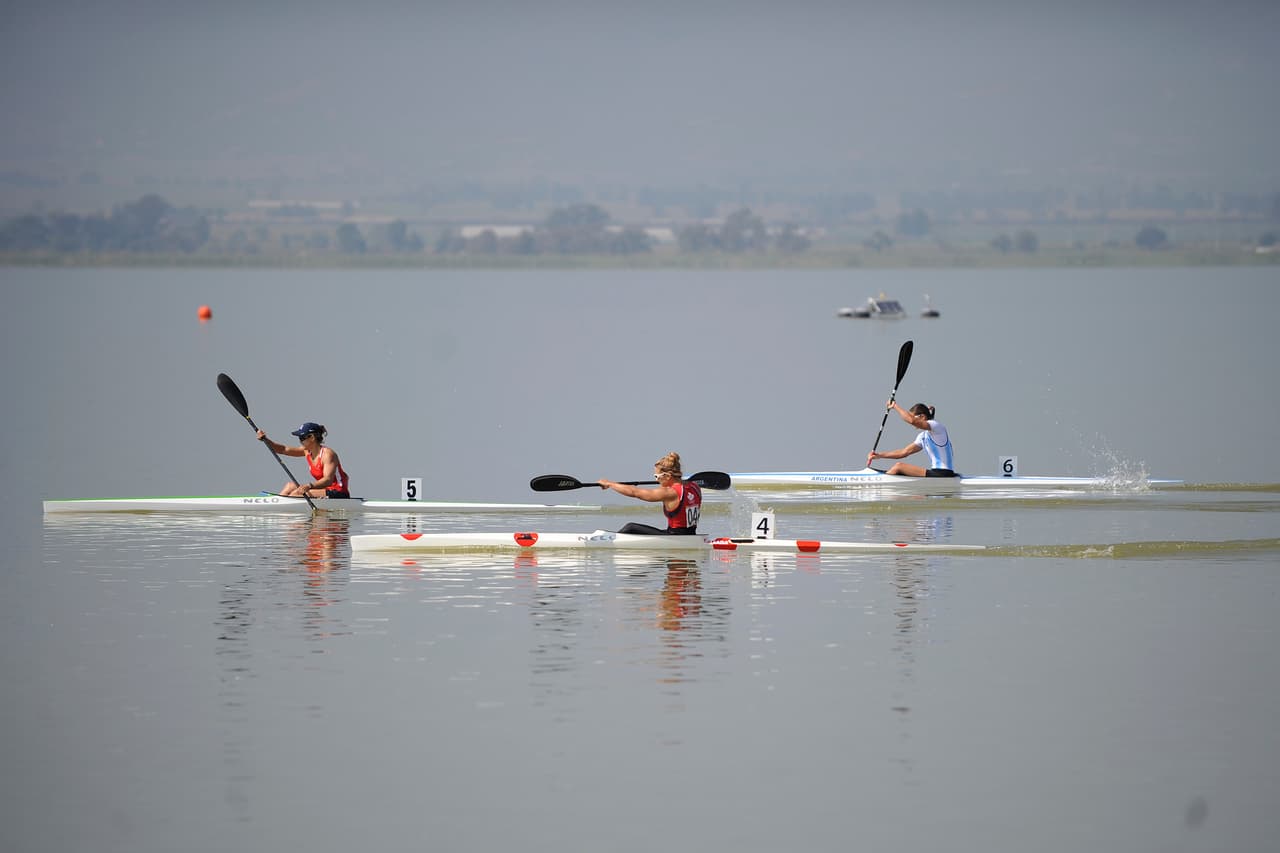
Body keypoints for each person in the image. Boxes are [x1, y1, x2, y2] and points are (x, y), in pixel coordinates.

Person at [599, 452, 702, 535]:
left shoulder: (670, 493)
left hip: (675, 537)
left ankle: (609, 541)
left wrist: (610, 483)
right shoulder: (694, 487)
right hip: (691, 535)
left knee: (630, 527)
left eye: (657, 477)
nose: (657, 480)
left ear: (668, 476)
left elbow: (634, 492)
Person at [255, 421, 351, 498]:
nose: (300, 440)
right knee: (290, 486)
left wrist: (309, 486)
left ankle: (283, 508)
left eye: (302, 437)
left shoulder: (328, 454)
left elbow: (328, 480)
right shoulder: (306, 451)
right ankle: (277, 505)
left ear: (312, 437)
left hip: (338, 492)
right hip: (324, 490)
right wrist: (265, 439)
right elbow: (283, 449)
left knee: (296, 493)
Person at [866, 402, 956, 477]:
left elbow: (912, 421)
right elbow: (903, 452)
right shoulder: (922, 437)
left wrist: (895, 406)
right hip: (937, 473)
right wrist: (879, 455)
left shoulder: (936, 426)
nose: (912, 421)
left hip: (944, 473)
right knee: (899, 470)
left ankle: (881, 483)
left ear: (923, 417)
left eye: (914, 416)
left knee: (899, 466)